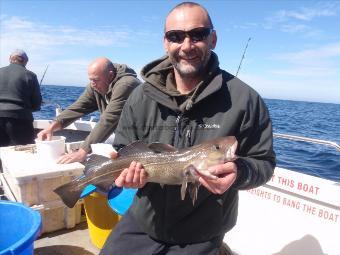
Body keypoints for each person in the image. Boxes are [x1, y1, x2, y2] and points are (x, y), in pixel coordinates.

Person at [101, 2, 276, 255]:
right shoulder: (140, 97)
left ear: (213, 38)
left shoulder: (245, 100)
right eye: (176, 36)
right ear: (165, 42)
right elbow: (123, 149)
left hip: (202, 232)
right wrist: (126, 177)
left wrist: (239, 172)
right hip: (142, 222)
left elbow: (264, 163)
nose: (186, 46)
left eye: (198, 34)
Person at [37, 57, 140, 163]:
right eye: (90, 80)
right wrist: (51, 127)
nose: (92, 84)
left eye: (95, 80)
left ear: (110, 75)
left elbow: (109, 119)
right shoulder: (95, 85)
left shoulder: (127, 84)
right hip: (124, 138)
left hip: (141, 140)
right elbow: (78, 107)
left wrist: (82, 152)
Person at [0, 49, 42, 147]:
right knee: (23, 152)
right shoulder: (30, 75)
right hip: (20, 118)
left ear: (10, 59)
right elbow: (36, 104)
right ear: (25, 61)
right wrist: (33, 107)